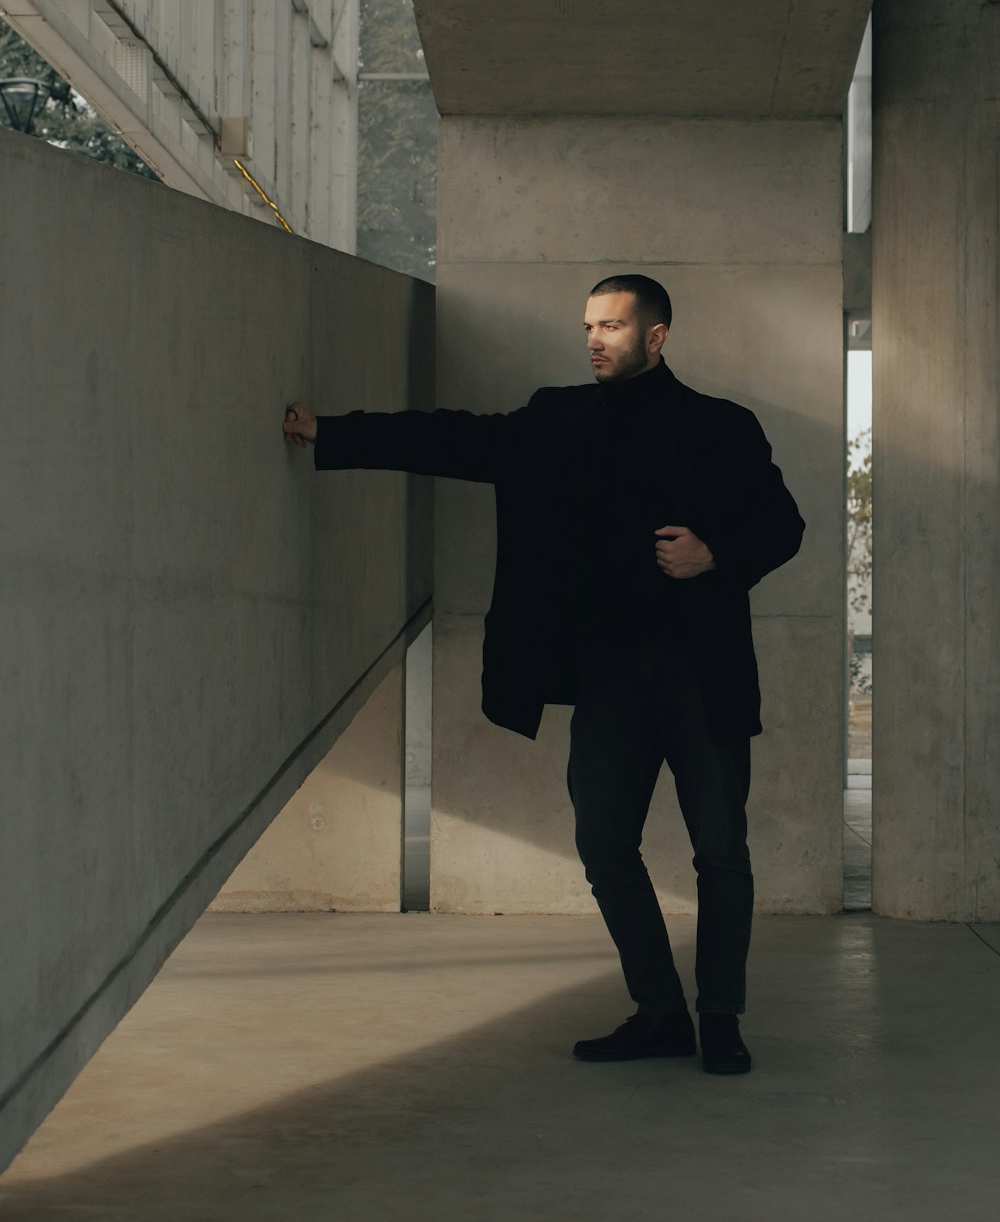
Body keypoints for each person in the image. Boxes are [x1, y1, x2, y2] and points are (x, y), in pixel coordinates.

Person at [283, 274, 805, 1075]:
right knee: (601, 843)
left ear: (656, 337)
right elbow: (453, 440)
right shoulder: (557, 418)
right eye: (589, 325)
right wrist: (333, 434)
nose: (595, 338)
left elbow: (783, 523)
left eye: (613, 326)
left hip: (702, 673)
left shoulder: (721, 426)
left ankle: (722, 1016)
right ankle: (660, 1012)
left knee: (721, 851)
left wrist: (715, 554)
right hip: (607, 678)